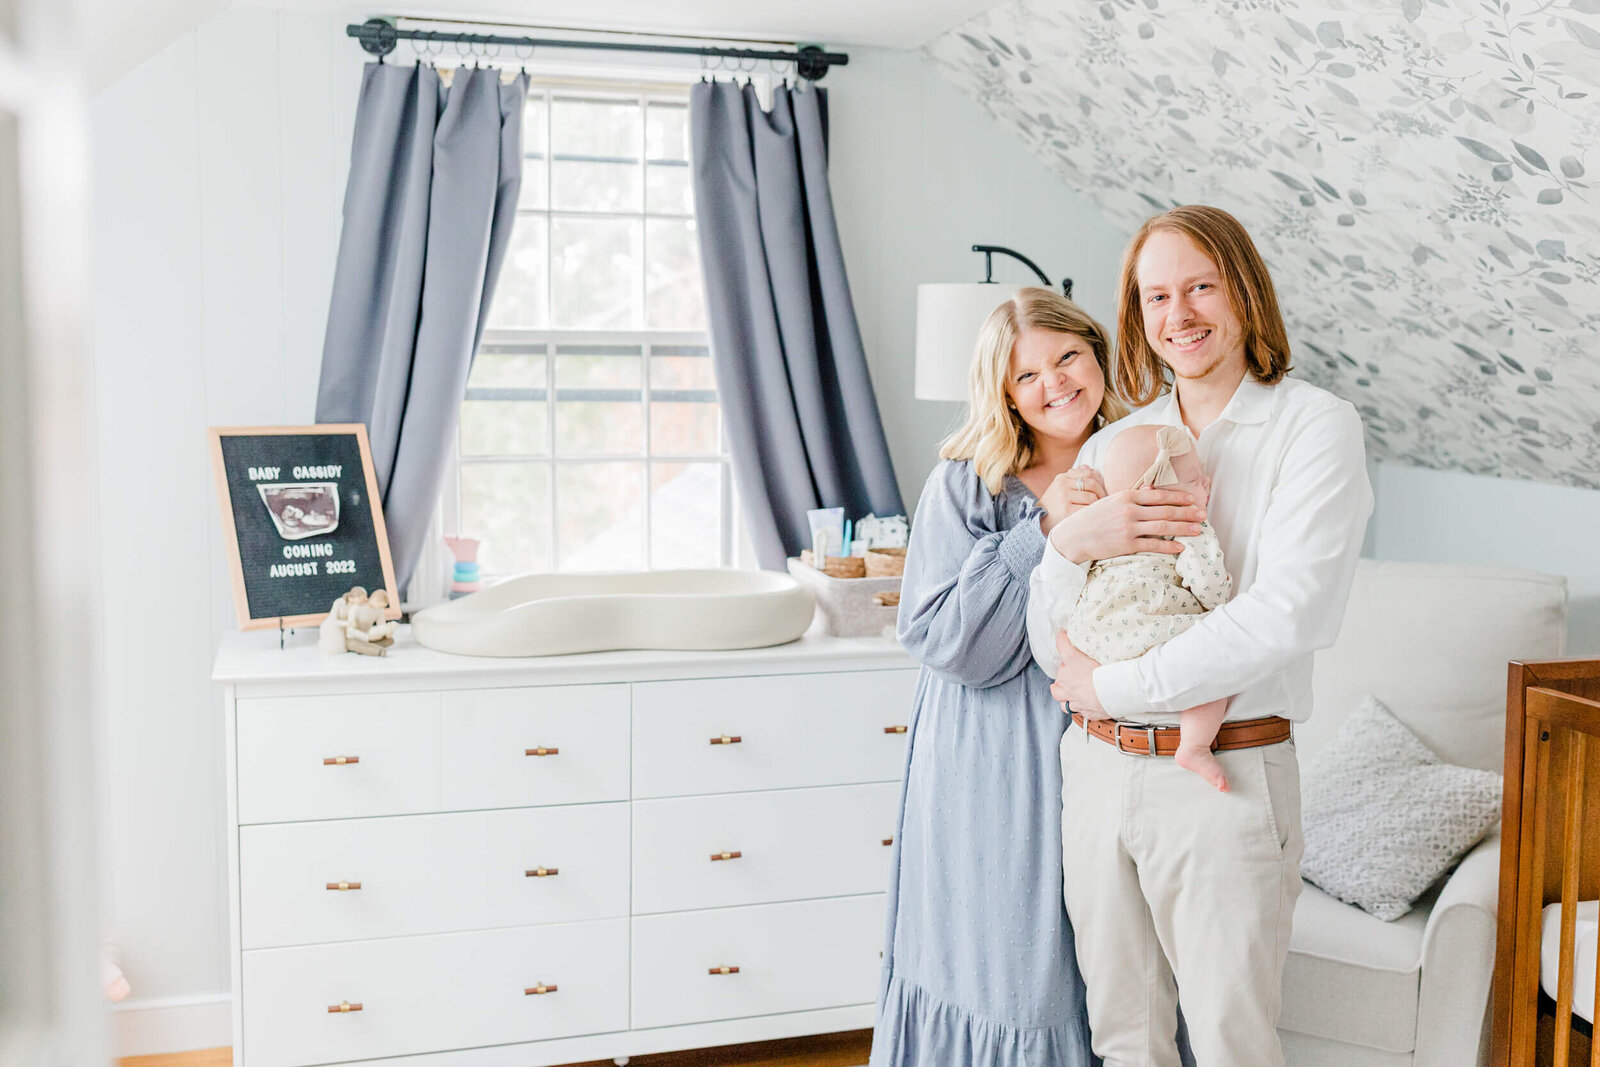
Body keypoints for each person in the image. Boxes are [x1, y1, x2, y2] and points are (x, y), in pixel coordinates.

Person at [1028, 205, 1374, 1066]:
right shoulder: (1114, 439)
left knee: (1231, 1045)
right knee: (1123, 1038)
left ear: (1244, 293)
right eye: (1155, 297)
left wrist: (1112, 687)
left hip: (1225, 779)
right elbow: (1050, 627)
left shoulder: (1313, 427)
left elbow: (1287, 612)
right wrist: (1070, 544)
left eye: (1200, 287)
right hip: (1098, 768)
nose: (1177, 315)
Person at [870, 286, 1203, 1066]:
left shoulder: (1140, 451)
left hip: (1110, 730)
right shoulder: (968, 480)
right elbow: (944, 638)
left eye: (1066, 358)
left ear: (1095, 354)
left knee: (1120, 957)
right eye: (1026, 376)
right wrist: (1049, 532)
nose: (1054, 383)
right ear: (1003, 392)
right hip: (993, 752)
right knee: (1019, 961)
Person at [1048, 423, 1233, 791]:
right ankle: (1195, 746)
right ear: (1158, 496)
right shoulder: (1187, 530)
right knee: (1217, 660)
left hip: (1092, 641)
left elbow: (1063, 590)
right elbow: (1213, 591)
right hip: (1149, 631)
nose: (1207, 483)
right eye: (1196, 480)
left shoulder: (1102, 529)